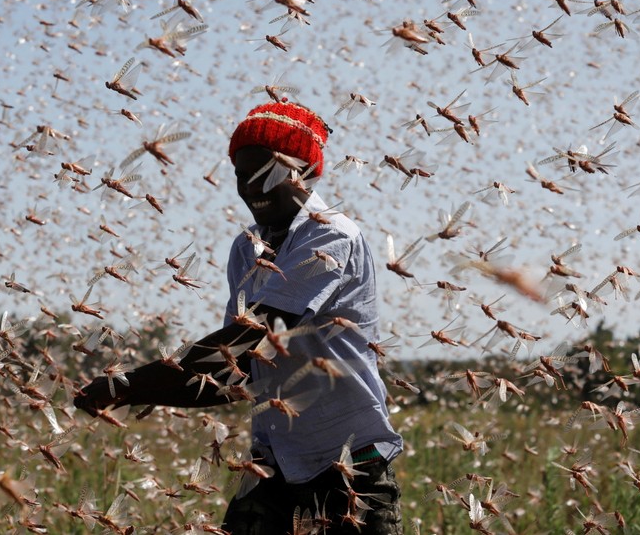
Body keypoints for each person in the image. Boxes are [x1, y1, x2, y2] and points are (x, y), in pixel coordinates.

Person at [74, 100, 403, 534]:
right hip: (273, 464)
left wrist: (131, 383)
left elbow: (253, 342)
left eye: (264, 172)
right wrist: (138, 392)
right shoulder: (247, 249)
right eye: (240, 175)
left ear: (303, 171)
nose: (250, 186)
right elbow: (234, 374)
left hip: (348, 464)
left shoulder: (331, 235)